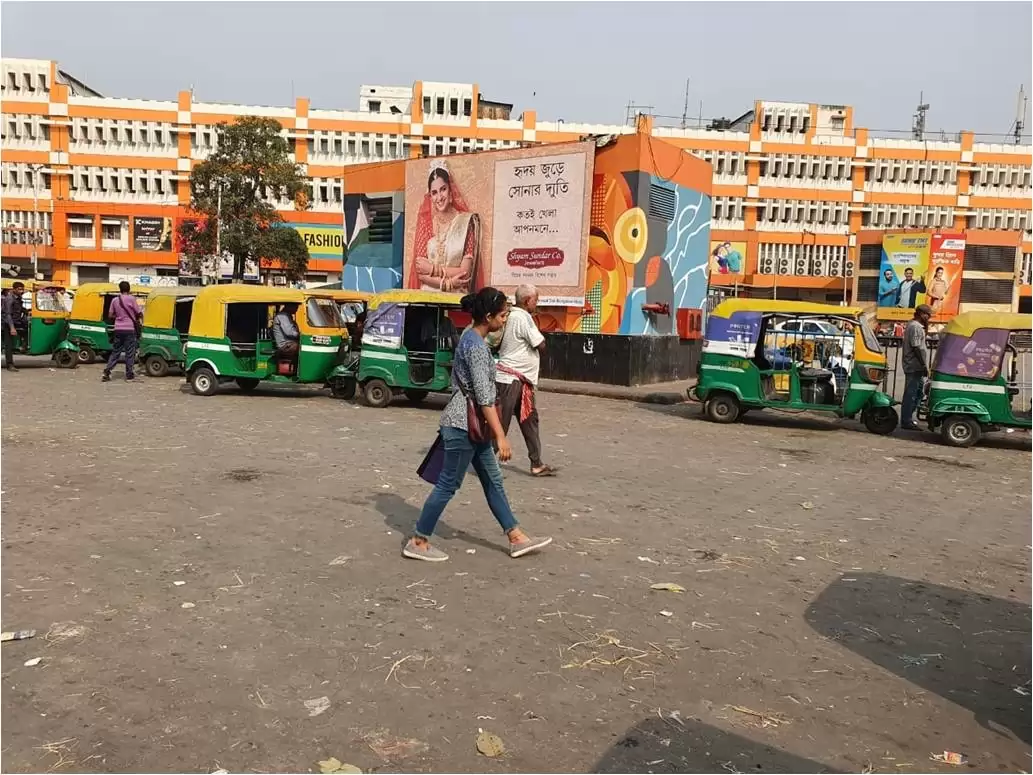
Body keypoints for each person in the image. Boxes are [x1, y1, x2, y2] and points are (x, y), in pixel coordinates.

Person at [404, 287, 552, 563]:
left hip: (473, 426)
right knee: (448, 485)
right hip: (464, 425)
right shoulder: (475, 346)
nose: (505, 320)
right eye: (503, 315)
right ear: (488, 317)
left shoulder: (472, 338)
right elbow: (484, 397)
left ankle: (516, 537)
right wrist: (501, 436)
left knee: (493, 480)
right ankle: (418, 540)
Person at [496, 284, 556, 477]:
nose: (536, 304)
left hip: (521, 381)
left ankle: (536, 463)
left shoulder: (511, 315)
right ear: (527, 300)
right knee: (501, 424)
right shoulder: (522, 317)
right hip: (511, 380)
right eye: (535, 300)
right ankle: (484, 463)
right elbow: (540, 344)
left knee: (529, 421)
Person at [410, 162, 482, 293]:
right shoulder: (426, 225)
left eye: (443, 189)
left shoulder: (465, 223)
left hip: (456, 297)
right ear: (430, 197)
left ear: (451, 191)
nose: (439, 197)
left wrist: (432, 269)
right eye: (434, 193)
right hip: (428, 297)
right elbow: (421, 272)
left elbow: (465, 272)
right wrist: (447, 283)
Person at [900, 303, 933, 430]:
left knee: (919, 392)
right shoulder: (915, 327)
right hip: (913, 366)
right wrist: (923, 365)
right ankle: (906, 420)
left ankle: (909, 417)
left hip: (917, 366)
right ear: (921, 314)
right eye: (927, 315)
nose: (929, 317)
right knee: (911, 393)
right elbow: (916, 347)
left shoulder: (916, 325)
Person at [103, 281, 142, 382]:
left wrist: (119, 316)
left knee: (116, 352)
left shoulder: (115, 300)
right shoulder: (132, 299)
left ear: (120, 289)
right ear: (129, 289)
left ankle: (107, 371)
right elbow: (139, 313)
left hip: (118, 329)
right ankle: (129, 375)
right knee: (130, 353)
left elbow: (110, 315)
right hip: (129, 329)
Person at [2, 281, 27, 372]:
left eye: (22, 289)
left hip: (17, 321)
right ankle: (10, 365)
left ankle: (23, 346)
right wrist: (12, 328)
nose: (21, 291)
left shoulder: (18, 298)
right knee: (9, 344)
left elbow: (19, 309)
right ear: (14, 289)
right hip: (7, 323)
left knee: (27, 329)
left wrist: (26, 311)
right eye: (19, 289)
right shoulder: (9, 299)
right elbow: (8, 314)